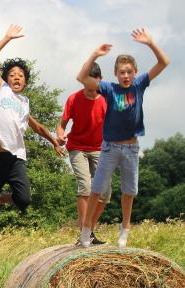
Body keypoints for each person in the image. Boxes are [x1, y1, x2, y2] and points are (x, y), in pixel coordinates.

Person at [0, 25, 65, 242]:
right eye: (13, 75)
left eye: (21, 75)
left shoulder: (25, 103)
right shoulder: (1, 89)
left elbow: (38, 128)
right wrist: (7, 37)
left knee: (24, 200)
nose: (16, 78)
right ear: (6, 79)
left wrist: (54, 140)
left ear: (25, 81)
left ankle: (1, 198)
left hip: (15, 158)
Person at [78, 28, 169, 248]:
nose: (126, 76)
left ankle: (125, 228)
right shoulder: (109, 89)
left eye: (129, 72)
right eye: (121, 72)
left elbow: (164, 62)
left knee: (129, 192)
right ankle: (86, 229)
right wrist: (95, 55)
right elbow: (81, 78)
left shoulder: (139, 86)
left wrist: (150, 43)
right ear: (116, 74)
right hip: (109, 148)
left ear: (135, 72)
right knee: (96, 190)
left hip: (131, 149)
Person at [57, 62, 111, 245]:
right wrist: (59, 136)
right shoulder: (73, 99)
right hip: (77, 147)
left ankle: (89, 231)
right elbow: (62, 124)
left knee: (105, 193)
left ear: (100, 81)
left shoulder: (107, 100)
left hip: (100, 149)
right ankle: (84, 232)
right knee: (86, 187)